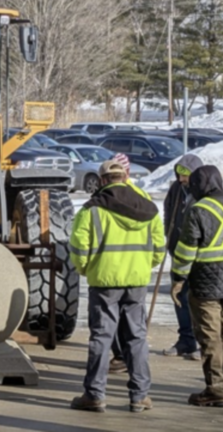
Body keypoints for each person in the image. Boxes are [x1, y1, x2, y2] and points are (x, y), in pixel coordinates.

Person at [70, 160, 166, 414]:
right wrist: (145, 266)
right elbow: (159, 246)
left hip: (103, 283)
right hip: (136, 281)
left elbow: (79, 247)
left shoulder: (91, 210)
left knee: (102, 337)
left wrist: (86, 269)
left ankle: (95, 395)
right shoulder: (148, 207)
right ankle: (140, 396)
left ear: (102, 180)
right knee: (136, 337)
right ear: (125, 177)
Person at [171, 165, 223, 408]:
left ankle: (215, 388)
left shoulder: (197, 210)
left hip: (204, 283)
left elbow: (186, 251)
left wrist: (178, 279)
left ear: (199, 186)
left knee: (209, 336)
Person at [109, 152, 150, 374]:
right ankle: (138, 376)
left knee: (108, 325)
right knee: (135, 328)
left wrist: (87, 267)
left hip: (109, 273)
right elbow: (156, 239)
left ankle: (119, 357)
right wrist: (148, 264)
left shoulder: (103, 198)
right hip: (136, 274)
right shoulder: (143, 198)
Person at [163, 155, 205, 360]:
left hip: (199, 256)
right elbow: (168, 214)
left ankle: (201, 341)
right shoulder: (176, 190)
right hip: (179, 253)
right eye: (179, 175)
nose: (181, 180)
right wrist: (170, 242)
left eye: (186, 175)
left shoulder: (204, 191)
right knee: (180, 296)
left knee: (199, 299)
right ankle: (186, 340)